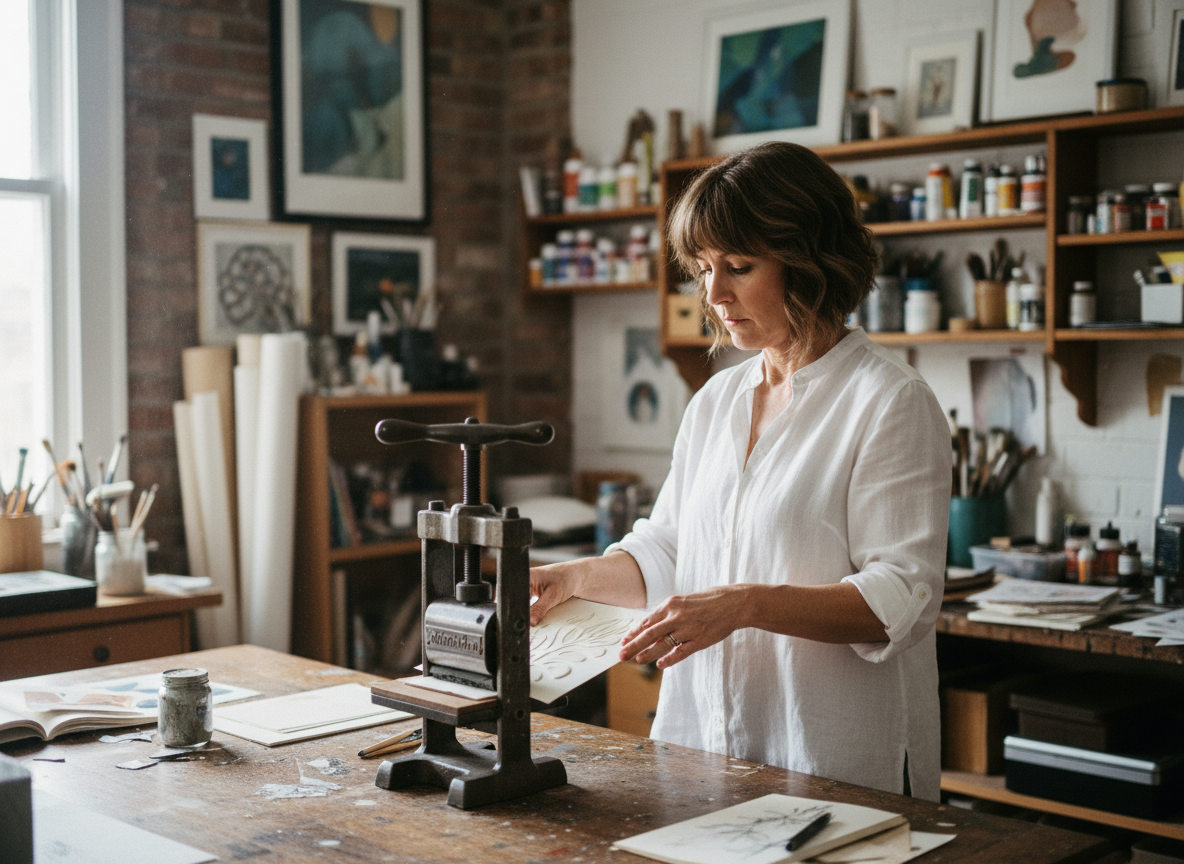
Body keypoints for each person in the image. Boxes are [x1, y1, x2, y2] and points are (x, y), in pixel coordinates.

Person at [529, 141, 950, 800]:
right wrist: (575, 578)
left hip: (831, 760)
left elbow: (901, 598)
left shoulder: (890, 401)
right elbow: (670, 549)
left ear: (810, 258)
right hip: (703, 745)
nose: (714, 294)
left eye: (739, 266)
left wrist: (746, 604)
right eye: (702, 269)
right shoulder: (716, 401)